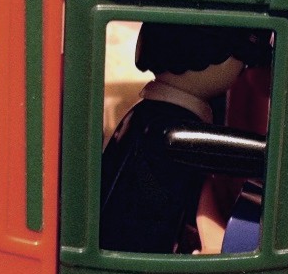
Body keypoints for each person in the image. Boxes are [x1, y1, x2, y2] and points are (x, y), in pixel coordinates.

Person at [99, 22, 269, 254]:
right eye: (240, 57)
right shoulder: (167, 124)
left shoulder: (154, 112)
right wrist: (273, 153)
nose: (243, 67)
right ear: (201, 52)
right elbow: (184, 143)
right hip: (132, 255)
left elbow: (197, 184)